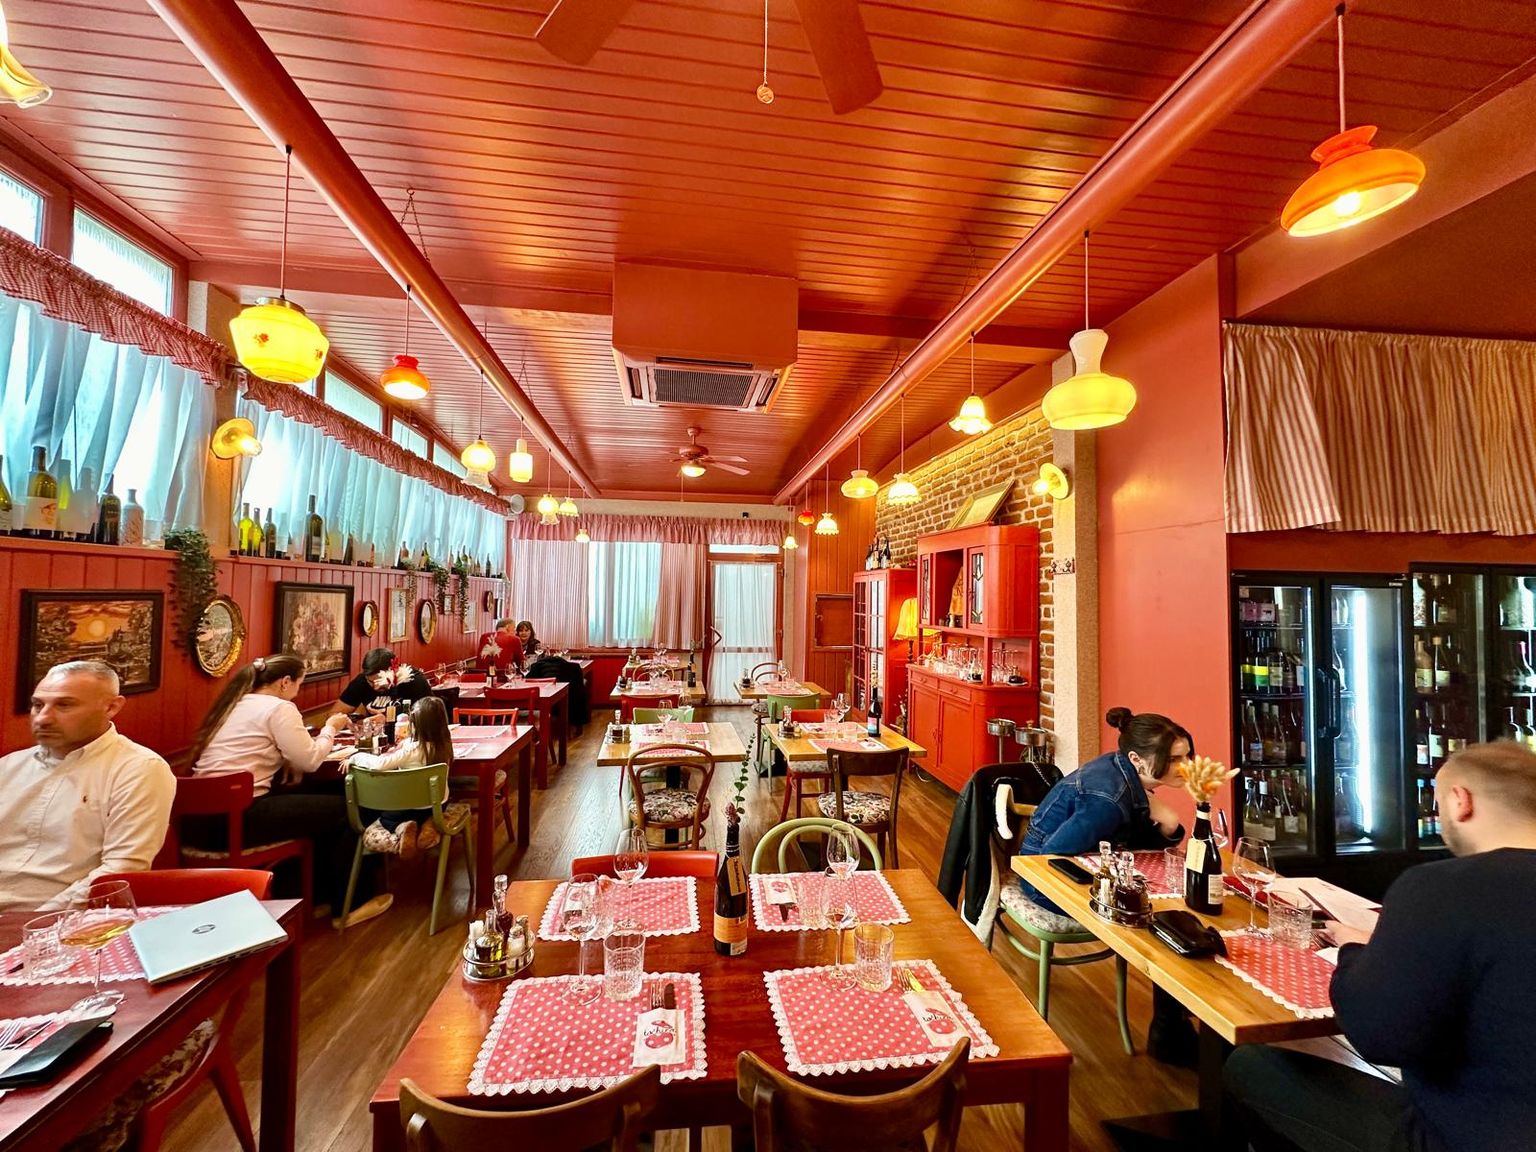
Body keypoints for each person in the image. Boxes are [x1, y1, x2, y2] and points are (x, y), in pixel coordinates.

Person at [1224, 741, 1536, 1152]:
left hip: (1457, 1138)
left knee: (1251, 1065)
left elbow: (1376, 1035)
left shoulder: (1440, 887)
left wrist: (1356, 952)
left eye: (1438, 803)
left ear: (1461, 801)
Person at [1013, 706, 1192, 1061]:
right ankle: (1170, 1031)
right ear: (1137, 759)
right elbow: (1052, 858)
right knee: (1167, 921)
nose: (1185, 766)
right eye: (1174, 759)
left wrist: (1168, 824)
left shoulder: (1123, 773)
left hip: (1082, 868)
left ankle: (1172, 1028)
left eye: (1187, 756)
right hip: (1044, 882)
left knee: (1176, 914)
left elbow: (1136, 845)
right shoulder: (1108, 799)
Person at [190, 654, 391, 928]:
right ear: (285, 682)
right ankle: (350, 904)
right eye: (299, 684)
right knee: (350, 807)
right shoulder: (279, 708)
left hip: (200, 821)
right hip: (237, 820)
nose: (297, 691)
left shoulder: (233, 704)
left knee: (323, 806)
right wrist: (330, 728)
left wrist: (285, 760)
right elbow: (311, 761)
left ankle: (316, 895)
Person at [0, 661, 176, 912]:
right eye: (38, 705)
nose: (43, 718)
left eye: (64, 705)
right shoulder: (9, 766)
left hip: (61, 916)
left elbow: (121, 869)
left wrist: (34, 921)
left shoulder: (138, 768)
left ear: (112, 707)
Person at [347, 696, 458, 859]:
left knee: (386, 818)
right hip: (436, 805)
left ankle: (402, 828)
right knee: (434, 805)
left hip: (406, 809)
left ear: (415, 725)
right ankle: (430, 823)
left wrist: (356, 757)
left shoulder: (411, 750)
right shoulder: (445, 746)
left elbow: (379, 764)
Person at [334, 646, 431, 716]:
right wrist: (354, 721)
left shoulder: (414, 680)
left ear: (395, 670)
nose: (375, 687)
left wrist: (385, 717)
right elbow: (334, 715)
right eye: (371, 682)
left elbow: (428, 717)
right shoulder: (362, 681)